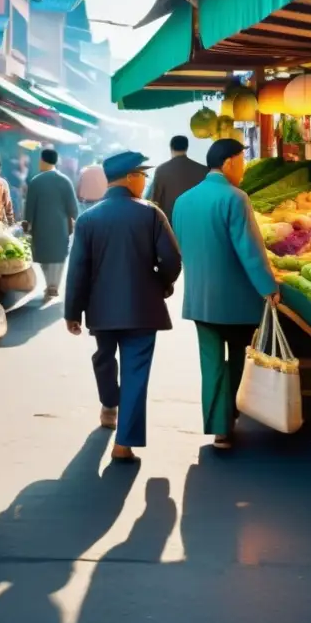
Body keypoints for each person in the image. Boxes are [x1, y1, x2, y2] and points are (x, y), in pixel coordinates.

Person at [65, 151, 181, 461]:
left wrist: (72, 312)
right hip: (144, 310)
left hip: (101, 310)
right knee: (136, 372)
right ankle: (123, 443)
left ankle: (108, 404)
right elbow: (171, 260)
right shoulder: (150, 214)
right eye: (143, 175)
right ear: (131, 178)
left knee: (104, 357)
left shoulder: (89, 219)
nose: (145, 181)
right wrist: (161, 285)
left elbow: (78, 269)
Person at [172, 139, 279, 450]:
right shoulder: (235, 198)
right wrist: (268, 288)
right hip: (236, 299)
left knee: (211, 362)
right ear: (230, 162)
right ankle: (230, 416)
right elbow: (250, 250)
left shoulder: (183, 201)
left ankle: (219, 428)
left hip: (198, 297)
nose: (243, 168)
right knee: (237, 359)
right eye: (242, 161)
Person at [24, 148, 79, 298]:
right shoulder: (65, 180)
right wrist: (75, 220)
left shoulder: (35, 182)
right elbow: (73, 208)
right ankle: (54, 285)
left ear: (42, 160)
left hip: (41, 227)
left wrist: (27, 223)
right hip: (61, 227)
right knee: (59, 256)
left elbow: (29, 208)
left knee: (44, 256)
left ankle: (50, 284)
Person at [147, 135, 208, 220]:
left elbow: (155, 201)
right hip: (196, 221)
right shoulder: (203, 170)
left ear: (171, 147)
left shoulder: (162, 170)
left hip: (170, 223)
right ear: (186, 147)